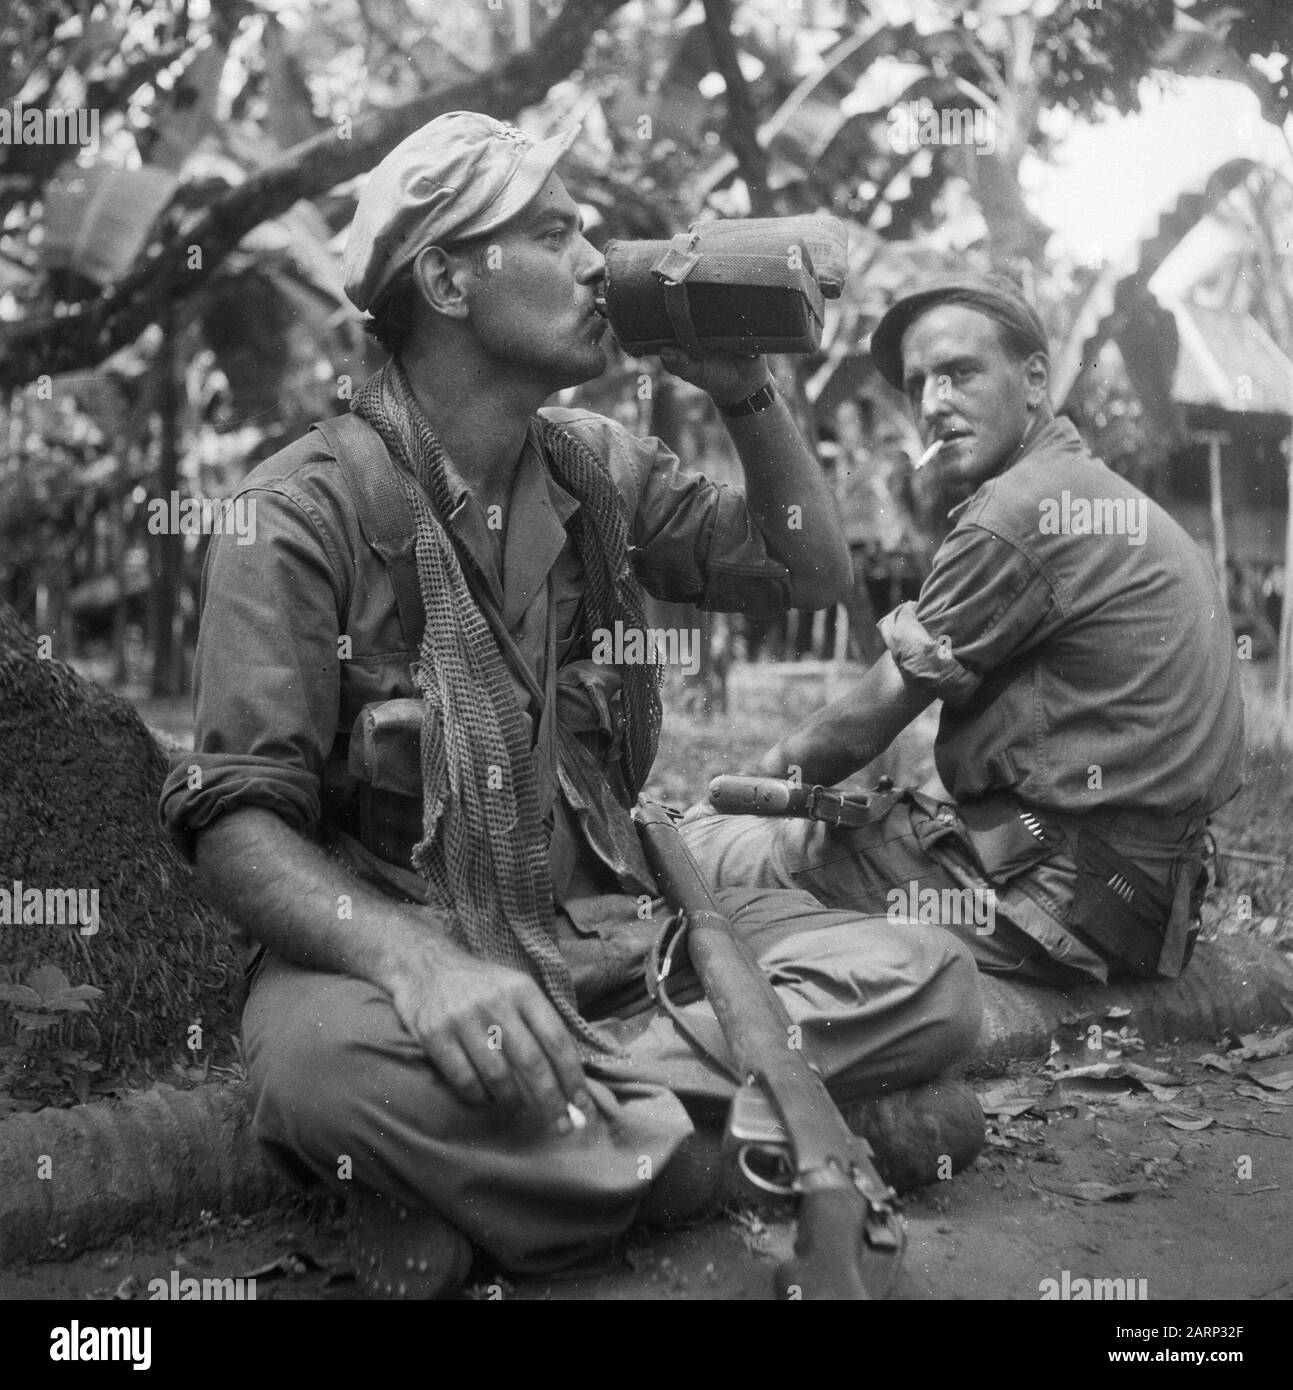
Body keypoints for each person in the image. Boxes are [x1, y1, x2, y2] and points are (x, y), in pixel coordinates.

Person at [159, 113, 984, 1298]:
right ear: (448, 276)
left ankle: (536, 1173)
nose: (601, 260)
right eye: (557, 231)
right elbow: (235, 826)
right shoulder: (296, 515)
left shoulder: (596, 466)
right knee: (318, 1075)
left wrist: (750, 393)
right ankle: (739, 1141)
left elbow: (805, 572)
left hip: (610, 935)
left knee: (930, 980)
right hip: (400, 951)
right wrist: (415, 964)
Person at [687, 271, 1244, 990]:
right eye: (917, 385)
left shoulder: (1017, 511)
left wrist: (721, 799)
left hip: (1049, 901)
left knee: (708, 859)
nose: (932, 405)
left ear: (1035, 379)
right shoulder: (1095, 493)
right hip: (1148, 906)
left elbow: (852, 734)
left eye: (958, 375)